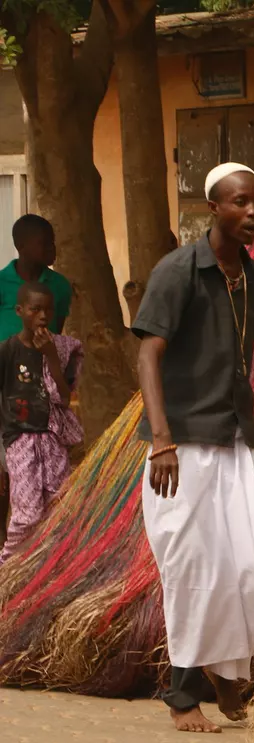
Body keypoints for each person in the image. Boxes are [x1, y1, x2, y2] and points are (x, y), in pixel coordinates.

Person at [132, 162, 254, 733]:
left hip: (236, 438)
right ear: (213, 209)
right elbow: (148, 355)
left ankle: (227, 675)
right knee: (194, 566)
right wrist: (162, 441)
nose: (252, 212)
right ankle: (183, 694)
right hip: (183, 446)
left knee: (252, 560)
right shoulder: (178, 271)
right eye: (239, 203)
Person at [0, 283, 82, 565]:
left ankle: (49, 569)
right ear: (20, 311)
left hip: (52, 439)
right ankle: (8, 568)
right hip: (20, 439)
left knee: (59, 506)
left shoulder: (58, 350)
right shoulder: (8, 350)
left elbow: (63, 397)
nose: (43, 316)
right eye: (35, 309)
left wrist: (50, 356)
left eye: (48, 309)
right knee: (27, 514)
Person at [0, 215, 73, 341]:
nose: (51, 248)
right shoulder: (2, 282)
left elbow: (56, 332)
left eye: (52, 242)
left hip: (44, 358)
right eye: (44, 243)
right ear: (21, 246)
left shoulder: (60, 285)